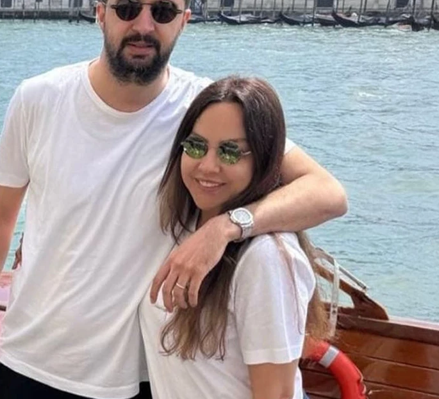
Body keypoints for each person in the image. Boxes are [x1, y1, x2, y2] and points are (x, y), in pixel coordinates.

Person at [0, 0, 347, 398]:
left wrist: (224, 228)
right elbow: (0, 215)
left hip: (138, 378)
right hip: (30, 360)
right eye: (127, 8)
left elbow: (327, 192)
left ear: (184, 20)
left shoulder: (204, 115)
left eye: (163, 11)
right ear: (100, 13)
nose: (143, 25)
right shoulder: (37, 98)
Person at [141, 76, 330, 399]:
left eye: (230, 153)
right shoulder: (181, 226)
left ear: (264, 161)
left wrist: (225, 227)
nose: (207, 166)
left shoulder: (266, 258)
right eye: (196, 146)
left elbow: (276, 395)